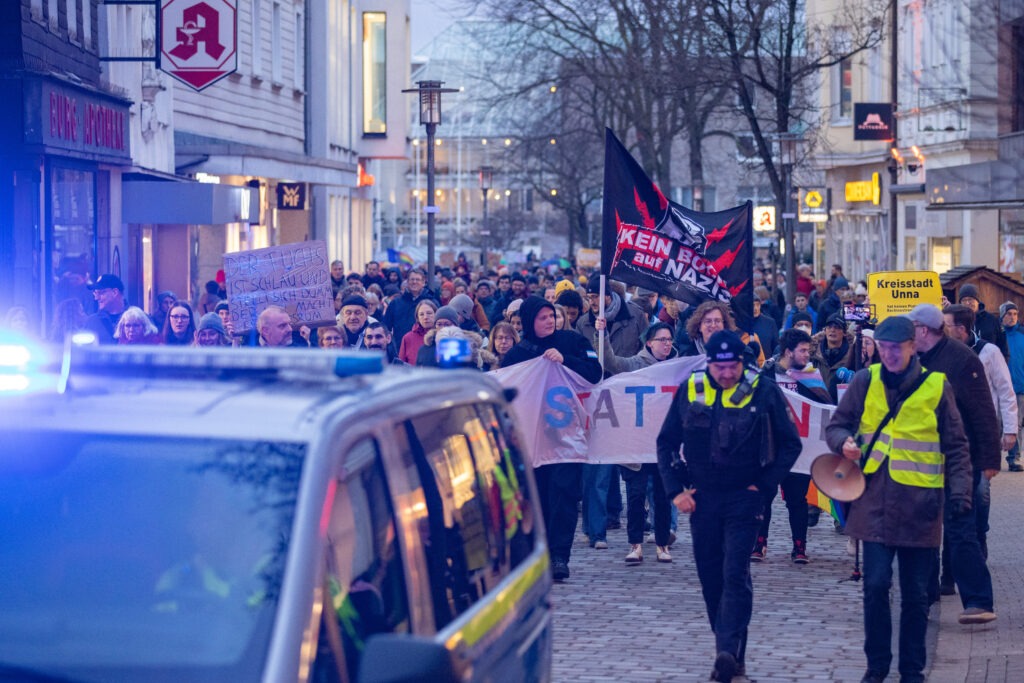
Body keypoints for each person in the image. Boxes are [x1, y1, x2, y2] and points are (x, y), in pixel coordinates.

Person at [825, 315, 973, 683]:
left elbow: (955, 445)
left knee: (916, 595)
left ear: (913, 346)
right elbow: (837, 424)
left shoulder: (937, 386)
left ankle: (911, 670)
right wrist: (842, 441)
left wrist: (961, 493)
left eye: (896, 348)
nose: (889, 355)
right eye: (884, 348)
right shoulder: (865, 380)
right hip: (872, 503)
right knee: (874, 586)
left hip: (920, 506)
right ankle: (876, 666)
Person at [657, 329, 801, 683]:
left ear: (741, 362)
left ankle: (727, 651)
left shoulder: (763, 389)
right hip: (702, 496)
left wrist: (764, 487)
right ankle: (731, 654)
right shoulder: (692, 388)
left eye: (731, 367)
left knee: (735, 572)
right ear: (709, 364)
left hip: (745, 496)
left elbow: (790, 445)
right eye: (718, 367)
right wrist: (676, 490)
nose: (725, 374)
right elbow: (666, 442)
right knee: (711, 578)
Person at [906, 303, 999, 623]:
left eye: (911, 329)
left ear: (924, 330)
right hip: (922, 464)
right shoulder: (912, 361)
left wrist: (989, 460)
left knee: (961, 532)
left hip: (962, 462)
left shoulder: (961, 360)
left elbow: (983, 412)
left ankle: (979, 601)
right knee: (924, 534)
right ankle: (925, 594)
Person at [501, 296, 602, 582]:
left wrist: (566, 360)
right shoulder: (519, 354)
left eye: (551, 316)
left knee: (564, 496)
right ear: (530, 321)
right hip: (531, 439)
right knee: (538, 497)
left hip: (566, 437)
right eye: (542, 317)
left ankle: (560, 556)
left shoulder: (573, 342)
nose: (549, 321)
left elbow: (596, 374)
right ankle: (540, 554)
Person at [597, 322, 678, 563]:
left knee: (663, 497)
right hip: (636, 444)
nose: (667, 344)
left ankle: (662, 544)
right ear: (649, 343)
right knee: (635, 495)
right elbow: (611, 362)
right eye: (661, 339)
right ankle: (635, 544)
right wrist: (603, 334)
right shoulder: (634, 365)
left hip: (663, 445)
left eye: (669, 339)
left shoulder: (676, 367)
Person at [752, 328, 831, 565]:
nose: (808, 355)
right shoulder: (767, 374)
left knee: (797, 500)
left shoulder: (811, 377)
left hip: (799, 448)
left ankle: (799, 547)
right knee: (764, 496)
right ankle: (759, 543)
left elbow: (823, 408)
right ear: (789, 352)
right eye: (803, 350)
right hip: (769, 446)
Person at [944, 303, 1016, 556]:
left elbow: (1006, 391)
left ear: (961, 329)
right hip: (952, 433)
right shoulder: (944, 351)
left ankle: (980, 533)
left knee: (981, 490)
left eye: (947, 324)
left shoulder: (989, 352)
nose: (943, 328)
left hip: (983, 431)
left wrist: (1010, 430)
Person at [577, 279, 647, 359]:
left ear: (608, 296)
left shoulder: (635, 315)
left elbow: (646, 347)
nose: (591, 302)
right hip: (597, 370)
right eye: (588, 298)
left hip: (629, 370)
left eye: (595, 297)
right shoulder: (583, 323)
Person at [382, 268, 436, 344]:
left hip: (425, 346)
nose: (414, 282)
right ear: (407, 282)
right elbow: (386, 326)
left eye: (418, 279)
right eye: (412, 279)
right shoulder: (396, 303)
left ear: (423, 282)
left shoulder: (432, 303)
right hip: (400, 347)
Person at [1001, 301, 1024, 471]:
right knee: (998, 423)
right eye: (1009, 314)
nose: (1012, 317)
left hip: (1020, 386)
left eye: (1015, 314)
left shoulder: (1022, 334)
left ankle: (1013, 458)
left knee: (1016, 424)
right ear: (1002, 316)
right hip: (1001, 387)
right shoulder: (998, 335)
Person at [958, 284, 1008, 358]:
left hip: (990, 365)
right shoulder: (958, 321)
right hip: (966, 366)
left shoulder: (992, 320)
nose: (967, 303)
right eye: (964, 300)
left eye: (970, 299)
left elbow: (1003, 347)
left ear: (977, 301)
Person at [83, 274, 128, 344]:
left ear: (115, 292)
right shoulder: (91, 322)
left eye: (101, 293)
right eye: (95, 293)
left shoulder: (139, 319)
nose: (96, 298)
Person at [398, 300, 436, 364]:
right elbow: (401, 366)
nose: (425, 317)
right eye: (421, 314)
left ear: (436, 314)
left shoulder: (442, 335)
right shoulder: (408, 338)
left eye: (429, 313)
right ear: (417, 318)